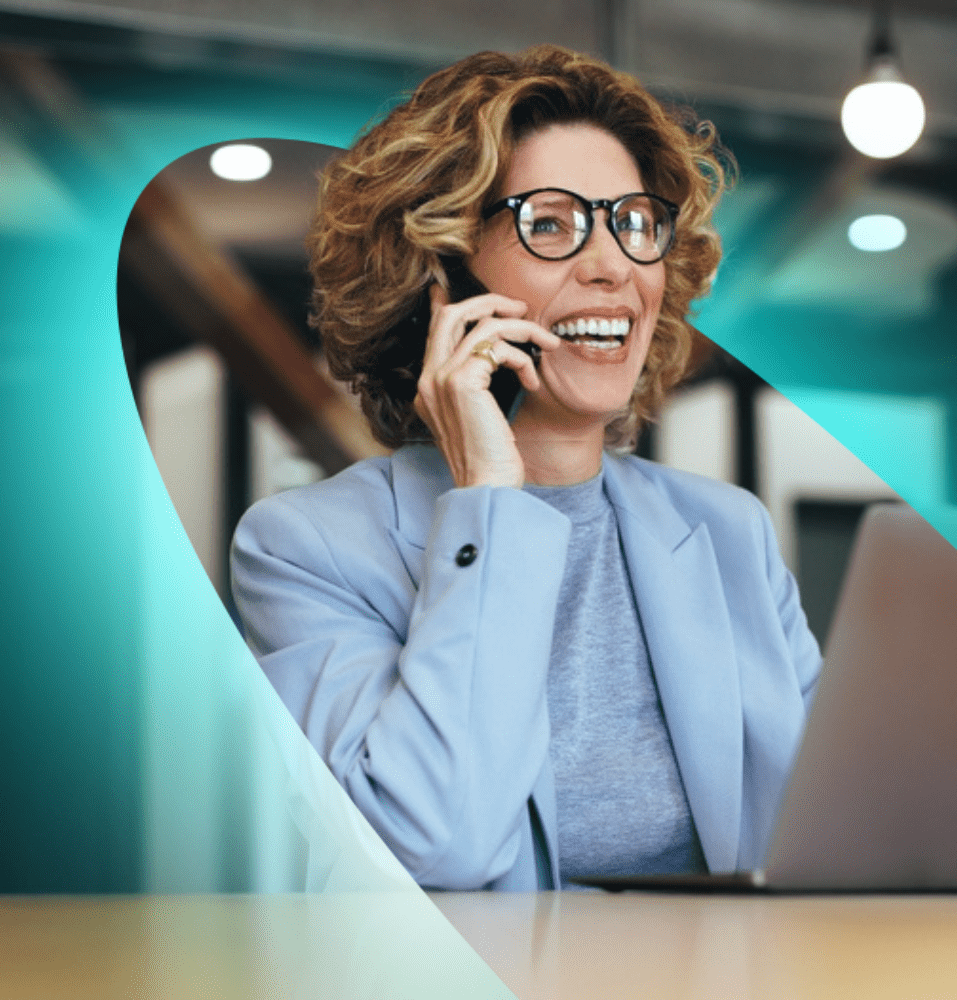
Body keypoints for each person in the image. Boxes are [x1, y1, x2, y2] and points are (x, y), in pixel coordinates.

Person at [231, 45, 822, 891]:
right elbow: (432, 849)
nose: (614, 265)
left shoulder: (731, 535)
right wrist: (488, 507)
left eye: (636, 223)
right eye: (551, 224)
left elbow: (839, 827)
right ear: (440, 276)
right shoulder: (304, 548)